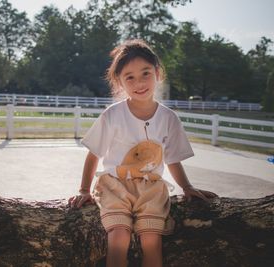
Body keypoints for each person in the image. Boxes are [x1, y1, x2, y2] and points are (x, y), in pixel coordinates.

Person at [68, 39, 217, 267]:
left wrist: (187, 187)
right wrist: (83, 190)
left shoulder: (169, 118)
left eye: (145, 73)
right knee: (118, 236)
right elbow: (93, 154)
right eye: (130, 77)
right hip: (115, 186)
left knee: (151, 240)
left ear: (157, 73)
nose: (139, 82)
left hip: (151, 190)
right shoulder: (113, 115)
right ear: (119, 82)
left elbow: (173, 159)